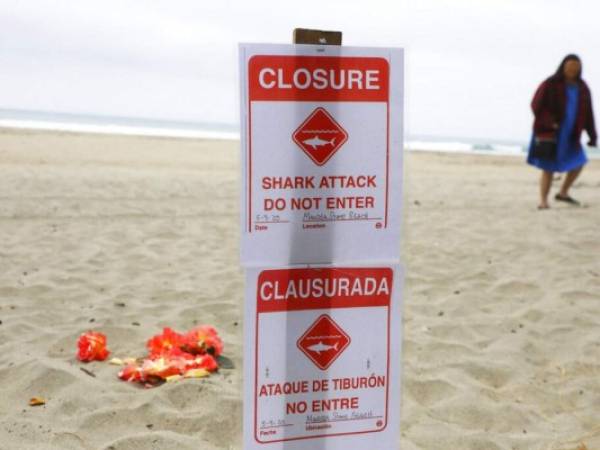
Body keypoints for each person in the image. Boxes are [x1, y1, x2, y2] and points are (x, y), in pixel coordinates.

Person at [527, 54, 597, 209]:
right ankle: (543, 201)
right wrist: (550, 122)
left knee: (579, 162)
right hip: (550, 133)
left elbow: (588, 113)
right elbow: (536, 105)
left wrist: (592, 135)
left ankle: (563, 192)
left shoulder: (583, 88)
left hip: (572, 134)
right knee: (548, 167)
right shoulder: (550, 83)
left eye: (576, 67)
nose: (572, 69)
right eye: (570, 66)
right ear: (563, 66)